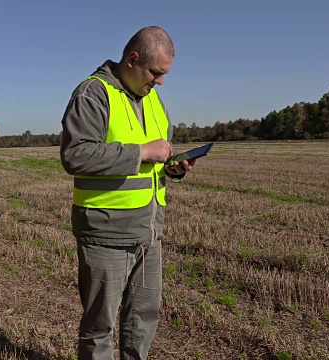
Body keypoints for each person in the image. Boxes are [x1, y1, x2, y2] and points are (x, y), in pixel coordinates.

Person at [60, 26, 196, 360]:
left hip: (149, 233)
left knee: (143, 320)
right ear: (133, 60)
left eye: (164, 75)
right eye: (156, 73)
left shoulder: (154, 101)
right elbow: (75, 156)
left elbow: (153, 161)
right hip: (106, 234)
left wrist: (170, 168)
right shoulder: (93, 94)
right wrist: (143, 152)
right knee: (99, 329)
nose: (160, 81)